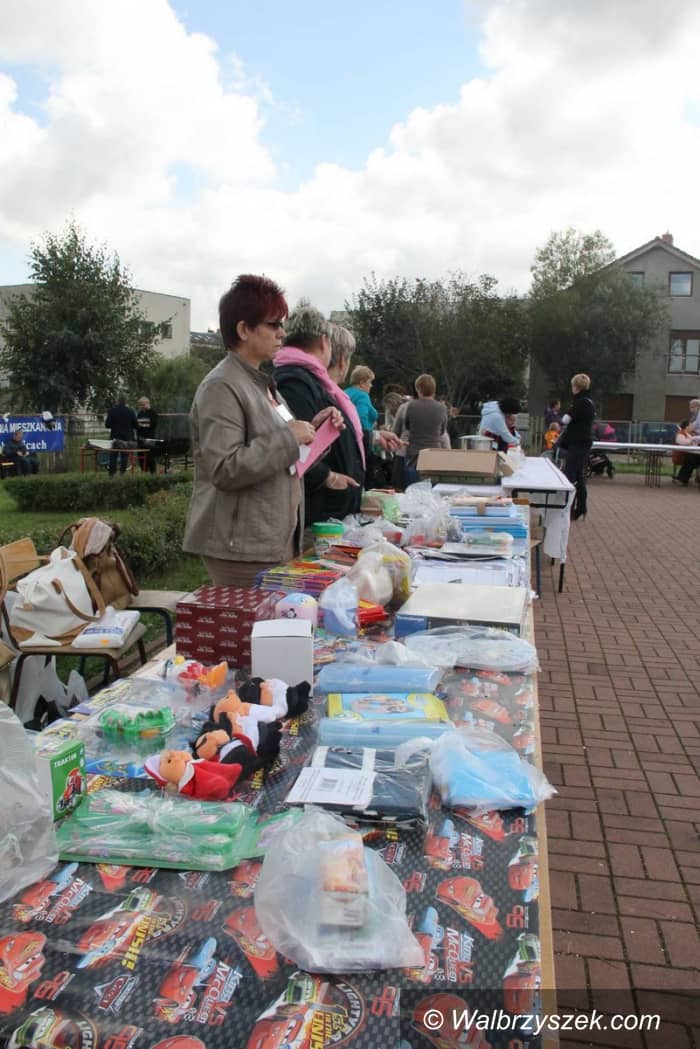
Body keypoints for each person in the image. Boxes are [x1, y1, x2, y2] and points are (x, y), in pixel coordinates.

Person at [182, 274, 321, 587]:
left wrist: (316, 429)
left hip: (269, 539)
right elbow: (224, 468)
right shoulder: (222, 386)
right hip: (241, 547)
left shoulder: (263, 385)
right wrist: (289, 437)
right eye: (273, 324)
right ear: (243, 329)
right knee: (251, 621)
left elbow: (286, 455)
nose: (282, 333)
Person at [273, 305, 363, 527]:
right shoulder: (296, 383)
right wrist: (328, 477)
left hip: (326, 512)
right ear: (324, 342)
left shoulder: (307, 381)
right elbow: (295, 449)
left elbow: (305, 435)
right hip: (317, 516)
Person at [558, 373, 595, 521]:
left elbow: (565, 419)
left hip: (577, 442)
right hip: (583, 442)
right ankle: (580, 507)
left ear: (576, 387)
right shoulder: (589, 402)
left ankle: (569, 507)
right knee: (579, 475)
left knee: (571, 474)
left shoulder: (580, 402)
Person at [403, 374, 448, 486]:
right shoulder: (441, 408)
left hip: (414, 453)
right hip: (434, 453)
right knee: (433, 489)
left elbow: (407, 426)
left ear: (418, 389)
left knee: (413, 489)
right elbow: (442, 431)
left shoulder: (411, 406)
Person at [104, 394, 138, 475]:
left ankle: (111, 475)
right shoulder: (130, 411)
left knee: (113, 456)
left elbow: (107, 425)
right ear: (125, 402)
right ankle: (122, 474)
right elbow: (136, 425)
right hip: (126, 437)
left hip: (115, 437)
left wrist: (115, 425)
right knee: (124, 456)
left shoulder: (112, 411)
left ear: (117, 401)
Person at [673, 418, 700, 487]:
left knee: (692, 459)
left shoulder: (690, 434)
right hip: (682, 454)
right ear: (686, 427)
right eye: (691, 425)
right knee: (691, 459)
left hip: (691, 453)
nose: (692, 427)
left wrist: (695, 440)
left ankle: (683, 478)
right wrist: (692, 440)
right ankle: (683, 478)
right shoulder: (680, 433)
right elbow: (683, 442)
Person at [136, 396, 159, 474]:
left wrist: (143, 425)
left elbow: (153, 424)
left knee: (150, 457)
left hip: (150, 438)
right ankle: (144, 472)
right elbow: (138, 425)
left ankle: (153, 473)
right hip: (141, 439)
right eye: (140, 405)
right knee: (141, 457)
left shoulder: (153, 413)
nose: (141, 407)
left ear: (147, 403)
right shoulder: (140, 413)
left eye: (142, 405)